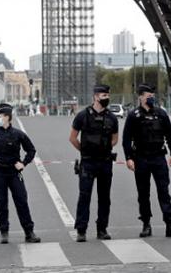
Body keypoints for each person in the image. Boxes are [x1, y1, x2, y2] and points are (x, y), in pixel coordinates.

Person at [122, 84, 171, 238]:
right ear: (140, 97)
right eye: (148, 96)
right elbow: (126, 139)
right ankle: (146, 224)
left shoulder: (161, 114)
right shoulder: (133, 115)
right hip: (140, 158)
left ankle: (170, 225)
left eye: (152, 95)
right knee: (143, 194)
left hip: (158, 158)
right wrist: (128, 158)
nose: (151, 98)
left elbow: (170, 134)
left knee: (164, 192)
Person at [0, 103, 41, 244]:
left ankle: (29, 232)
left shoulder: (18, 134)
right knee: (2, 203)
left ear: (7, 117)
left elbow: (31, 150)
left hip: (14, 173)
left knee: (22, 201)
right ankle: (4, 232)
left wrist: (23, 163)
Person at [70, 84, 120, 242]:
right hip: (88, 162)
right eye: (104, 96)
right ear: (96, 97)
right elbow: (72, 138)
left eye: (107, 95)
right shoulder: (82, 116)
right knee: (84, 197)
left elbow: (115, 139)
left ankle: (102, 229)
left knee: (104, 197)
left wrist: (102, 148)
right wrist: (84, 151)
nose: (106, 98)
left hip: (105, 162)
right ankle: (81, 230)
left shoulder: (112, 117)